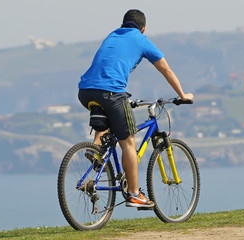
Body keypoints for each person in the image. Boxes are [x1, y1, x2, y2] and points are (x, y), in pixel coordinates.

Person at [78, 9, 194, 208]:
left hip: (86, 91)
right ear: (143, 29)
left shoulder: (113, 34)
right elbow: (165, 69)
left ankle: (97, 150)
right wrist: (183, 96)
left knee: (105, 120)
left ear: (123, 24)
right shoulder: (141, 39)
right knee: (128, 142)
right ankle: (134, 194)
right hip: (112, 92)